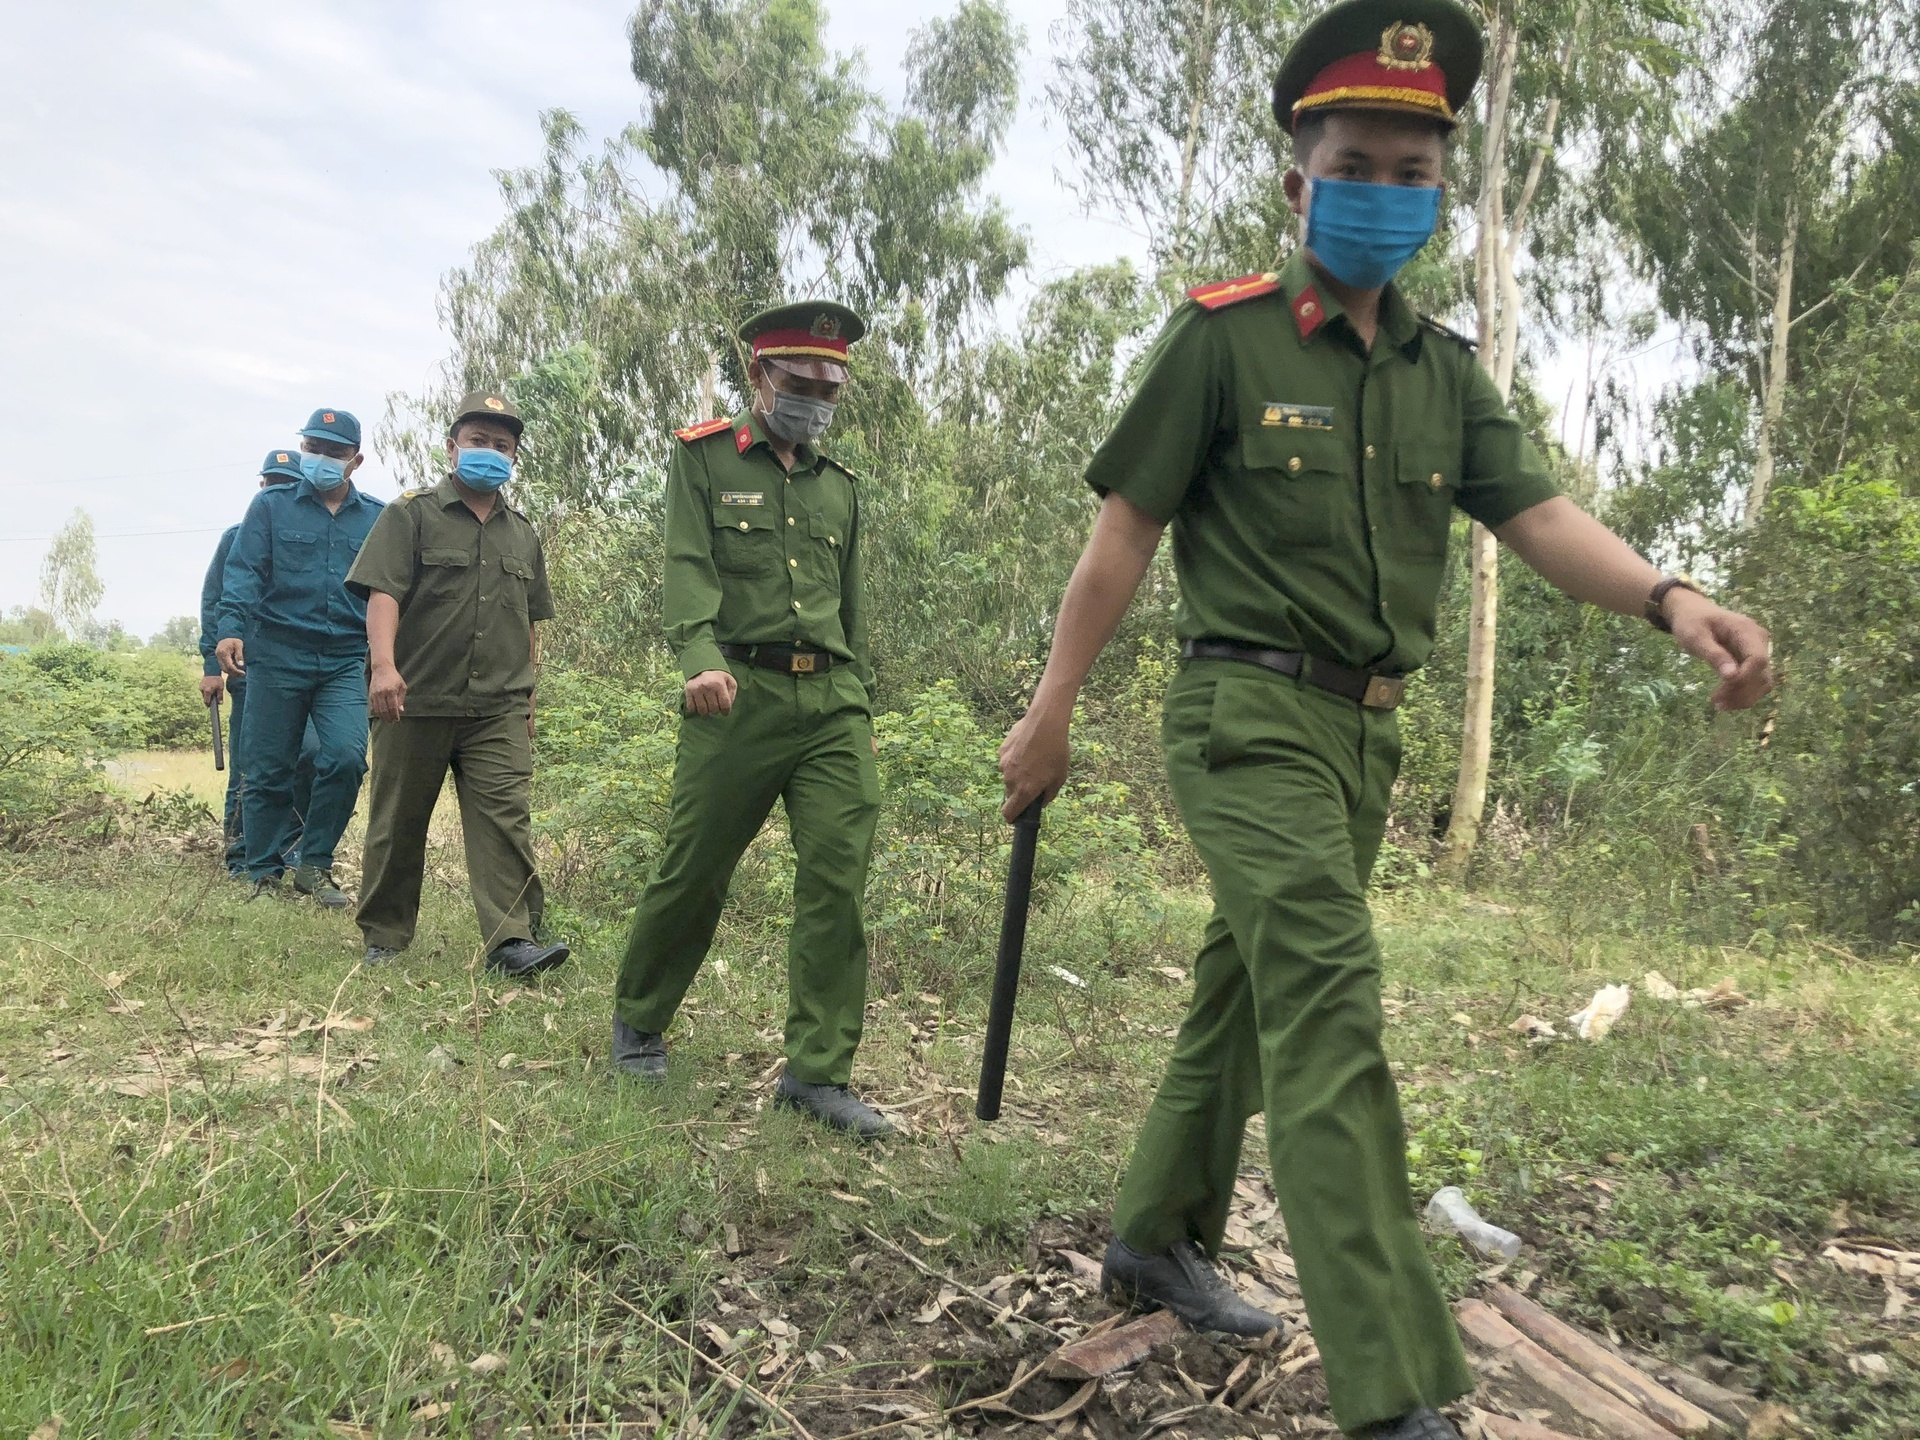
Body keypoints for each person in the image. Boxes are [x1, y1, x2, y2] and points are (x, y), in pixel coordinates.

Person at [993, 2, 1775, 1436]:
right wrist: (1049, 718)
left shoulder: (1444, 370)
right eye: (1357, 164)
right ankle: (1398, 1389)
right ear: (1301, 183)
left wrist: (1672, 597)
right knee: (1330, 1010)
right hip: (1246, 715)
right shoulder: (1220, 344)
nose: (1387, 195)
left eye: (1416, 173)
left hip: (1367, 738)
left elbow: (1538, 516)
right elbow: (1119, 542)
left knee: (1248, 980)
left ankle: (1154, 1237)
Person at [608, 301, 889, 1139]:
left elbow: (853, 609)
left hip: (832, 701)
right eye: (800, 383)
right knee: (696, 867)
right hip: (737, 693)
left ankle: (817, 1074)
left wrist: (864, 704)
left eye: (829, 388)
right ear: (759, 378)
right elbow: (687, 565)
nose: (816, 400)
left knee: (837, 879)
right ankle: (639, 1019)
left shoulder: (840, 489)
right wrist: (699, 655)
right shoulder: (703, 460)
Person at [344, 392, 569, 978]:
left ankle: (512, 941)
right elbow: (383, 593)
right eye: (478, 441)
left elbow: (527, 623)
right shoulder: (409, 514)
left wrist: (528, 698)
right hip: (412, 699)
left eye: (502, 446)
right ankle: (385, 935)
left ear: (514, 458)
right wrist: (384, 667)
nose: (489, 453)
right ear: (452, 447)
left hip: (498, 705)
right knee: (398, 820)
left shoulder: (523, 534)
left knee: (505, 819)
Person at [215, 408, 385, 908]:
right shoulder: (270, 506)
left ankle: (314, 865)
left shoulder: (378, 517)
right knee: (267, 769)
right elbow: (243, 570)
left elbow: (391, 591)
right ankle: (261, 870)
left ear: (355, 461)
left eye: (334, 452)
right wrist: (230, 630)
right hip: (277, 652)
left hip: (344, 658)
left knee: (347, 757)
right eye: (314, 448)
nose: (321, 459)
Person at [200, 448, 320, 878]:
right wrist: (211, 668)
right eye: (274, 482)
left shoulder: (314, 532)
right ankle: (240, 853)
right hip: (245, 670)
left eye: (290, 483)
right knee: (250, 762)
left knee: (309, 755)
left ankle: (287, 848)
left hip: (296, 666)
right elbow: (215, 603)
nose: (281, 490)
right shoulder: (238, 536)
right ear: (262, 485)